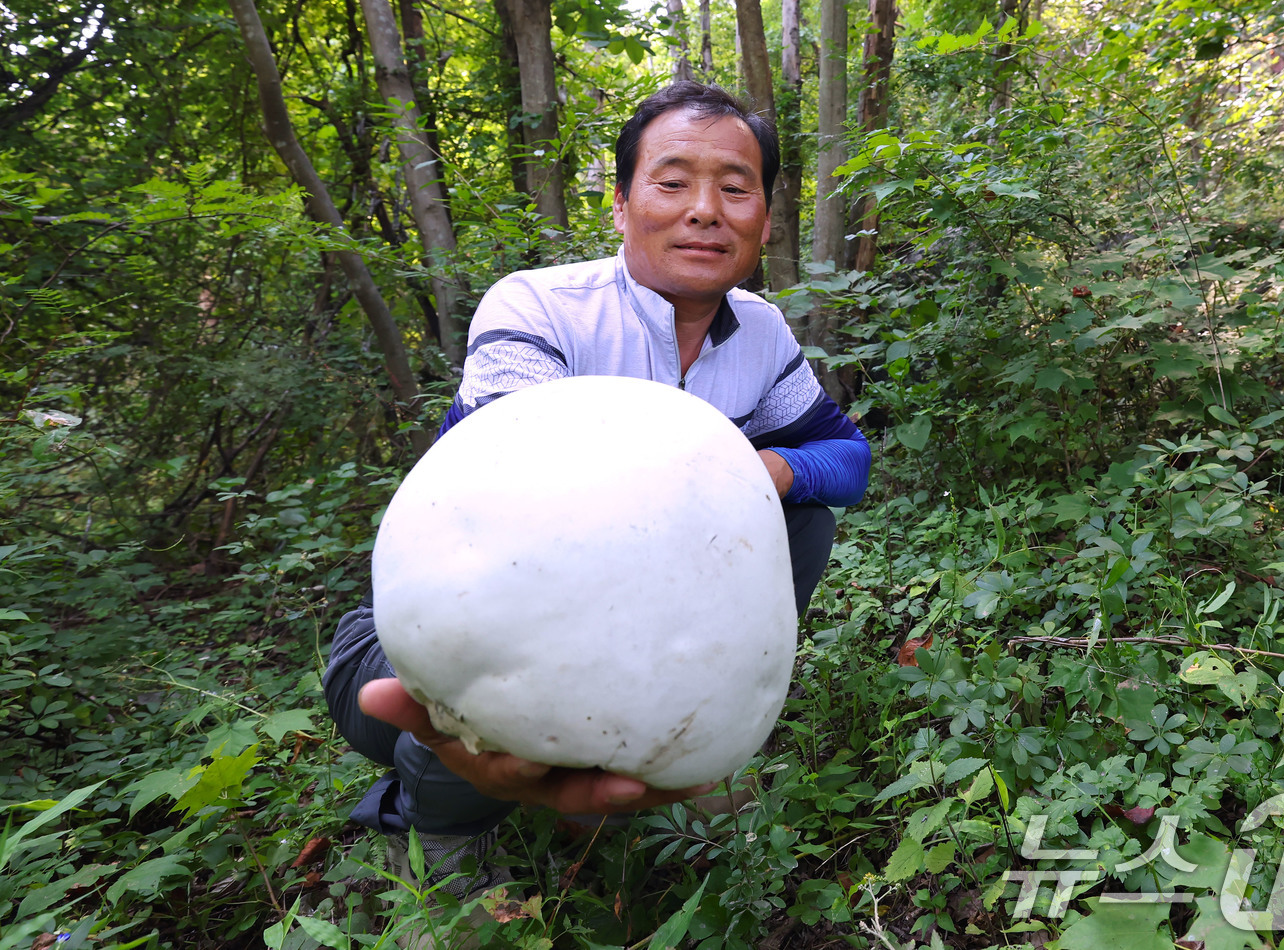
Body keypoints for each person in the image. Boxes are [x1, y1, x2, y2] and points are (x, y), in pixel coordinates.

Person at [322, 80, 872, 904]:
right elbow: (525, 509)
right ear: (620, 205)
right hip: (412, 650)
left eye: (734, 187)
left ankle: (658, 744)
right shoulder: (542, 308)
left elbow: (848, 457)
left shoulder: (757, 333)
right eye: (673, 181)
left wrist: (774, 469)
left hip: (617, 627)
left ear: (763, 216)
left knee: (801, 523)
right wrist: (714, 469)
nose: (705, 210)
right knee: (508, 628)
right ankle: (438, 830)